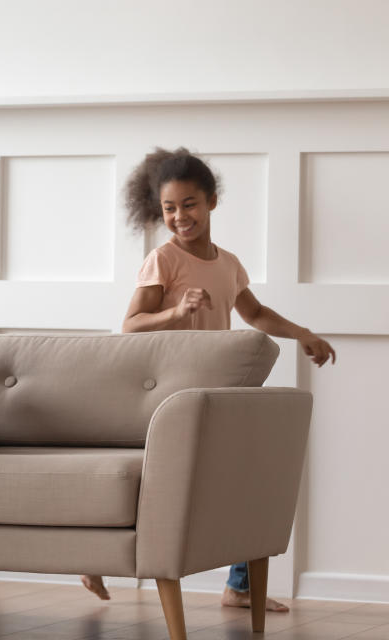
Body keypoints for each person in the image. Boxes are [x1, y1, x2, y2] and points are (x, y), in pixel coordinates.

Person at [79, 148, 335, 611]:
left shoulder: (228, 263)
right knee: (150, 486)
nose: (180, 217)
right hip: (171, 392)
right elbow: (131, 323)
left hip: (219, 389)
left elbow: (253, 312)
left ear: (211, 201)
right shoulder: (164, 260)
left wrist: (302, 333)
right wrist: (178, 311)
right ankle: (93, 556)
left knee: (249, 477)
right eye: (169, 209)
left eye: (189, 204)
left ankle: (239, 585)